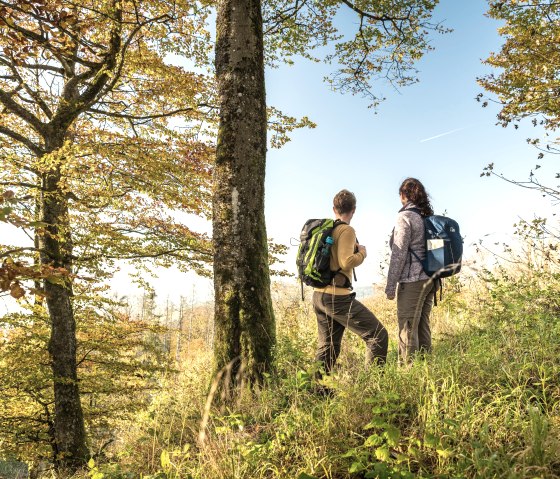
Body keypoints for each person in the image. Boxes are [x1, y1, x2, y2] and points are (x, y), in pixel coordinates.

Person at [313, 189, 388, 383]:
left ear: (334, 209)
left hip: (319, 296)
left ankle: (318, 391)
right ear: (353, 210)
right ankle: (373, 387)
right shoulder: (346, 230)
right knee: (378, 335)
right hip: (337, 297)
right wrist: (362, 253)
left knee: (328, 346)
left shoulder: (328, 230)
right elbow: (346, 262)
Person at [385, 177, 437, 362]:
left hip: (413, 280)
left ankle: (409, 374)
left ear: (403, 195)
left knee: (407, 328)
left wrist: (391, 286)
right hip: (432, 278)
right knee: (422, 326)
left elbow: (398, 253)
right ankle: (427, 370)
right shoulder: (426, 216)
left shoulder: (405, 217)